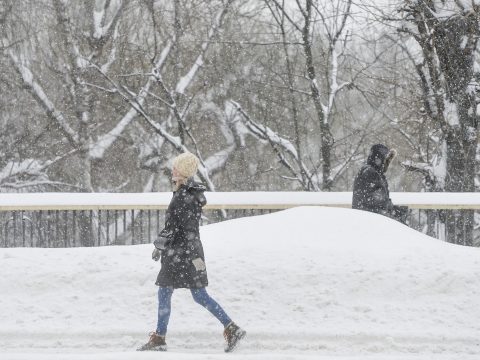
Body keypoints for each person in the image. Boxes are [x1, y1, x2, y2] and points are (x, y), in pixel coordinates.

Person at [138, 152, 246, 353]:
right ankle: (231, 328)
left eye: (177, 168)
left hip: (180, 253)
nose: (173, 170)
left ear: (185, 172)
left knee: (167, 291)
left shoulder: (183, 197)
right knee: (196, 294)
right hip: (189, 251)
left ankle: (160, 339)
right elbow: (180, 227)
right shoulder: (188, 194)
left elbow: (176, 228)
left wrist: (160, 245)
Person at [352, 144, 408, 224]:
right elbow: (378, 201)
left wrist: (394, 209)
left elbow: (380, 200)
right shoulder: (370, 173)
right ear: (378, 160)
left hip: (370, 217)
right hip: (370, 221)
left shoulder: (373, 172)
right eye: (386, 160)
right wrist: (394, 212)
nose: (387, 164)